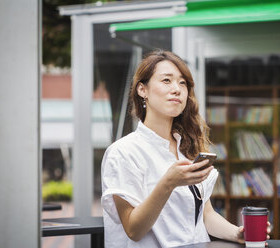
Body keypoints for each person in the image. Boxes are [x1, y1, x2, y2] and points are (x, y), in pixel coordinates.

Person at [101, 50, 271, 247]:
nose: (177, 89)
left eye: (182, 83)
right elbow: (133, 229)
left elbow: (205, 216)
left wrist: (237, 233)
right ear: (142, 90)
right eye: (166, 80)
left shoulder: (188, 150)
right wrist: (168, 183)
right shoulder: (123, 152)